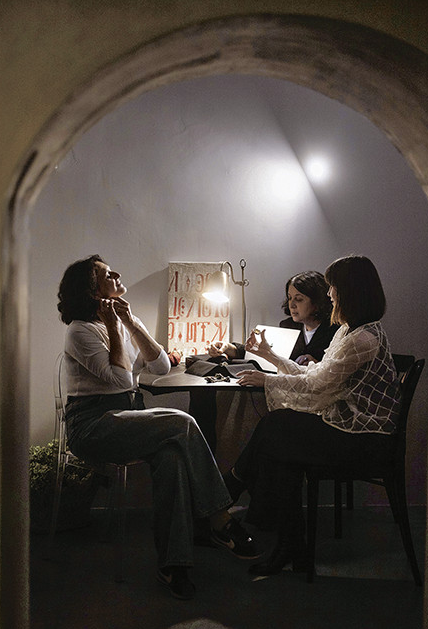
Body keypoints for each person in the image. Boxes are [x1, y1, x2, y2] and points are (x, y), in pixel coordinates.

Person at [58, 254, 260, 600]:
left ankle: (173, 565)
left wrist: (131, 323)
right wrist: (113, 327)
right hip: (91, 425)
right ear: (92, 291)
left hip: (127, 417)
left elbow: (161, 367)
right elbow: (122, 380)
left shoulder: (122, 320)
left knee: (173, 459)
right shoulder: (80, 330)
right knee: (182, 422)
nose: (117, 273)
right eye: (106, 274)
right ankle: (219, 518)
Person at [225, 255, 401, 577]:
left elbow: (317, 385)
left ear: (349, 292)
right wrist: (269, 356)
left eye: (333, 288)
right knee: (281, 449)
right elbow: (316, 374)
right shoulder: (348, 331)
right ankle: (290, 546)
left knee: (276, 427)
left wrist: (267, 380)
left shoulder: (363, 339)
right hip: (349, 429)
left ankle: (229, 494)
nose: (329, 294)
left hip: (366, 439)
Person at [208, 270, 339, 365]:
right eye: (290, 298)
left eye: (299, 299)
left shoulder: (336, 331)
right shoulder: (288, 326)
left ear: (317, 303)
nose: (292, 305)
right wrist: (228, 347)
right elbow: (265, 354)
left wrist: (318, 364)